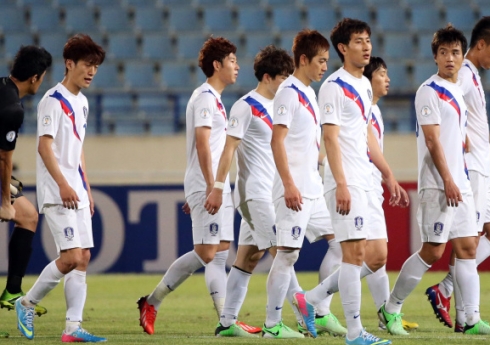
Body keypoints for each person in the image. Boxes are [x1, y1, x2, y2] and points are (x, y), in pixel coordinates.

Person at [378, 24, 490, 336]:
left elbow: (452, 137)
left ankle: (469, 320)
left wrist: (463, 148)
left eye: (455, 53)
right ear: (435, 57)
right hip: (438, 183)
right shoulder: (428, 91)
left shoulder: (457, 94)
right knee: (433, 252)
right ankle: (390, 309)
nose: (450, 58)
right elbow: (433, 141)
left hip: (459, 181)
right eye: (444, 52)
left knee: (467, 248)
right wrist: (448, 178)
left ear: (463, 57)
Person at [294, 19, 406, 345]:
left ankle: (312, 298)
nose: (367, 46)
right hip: (347, 181)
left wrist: (387, 174)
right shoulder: (333, 86)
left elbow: (367, 134)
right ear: (343, 48)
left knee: (377, 255)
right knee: (354, 255)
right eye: (358, 41)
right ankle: (355, 333)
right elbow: (329, 138)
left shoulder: (365, 86)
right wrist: (340, 183)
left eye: (368, 40)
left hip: (366, 181)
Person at [138, 36, 251, 336]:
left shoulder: (215, 99)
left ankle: (227, 321)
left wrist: (215, 185)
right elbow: (202, 146)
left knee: (221, 251)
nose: (237, 66)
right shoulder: (203, 98)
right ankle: (152, 301)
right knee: (206, 252)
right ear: (217, 65)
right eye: (232, 61)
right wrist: (210, 186)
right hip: (211, 183)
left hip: (216, 183)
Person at [15, 34, 107, 342]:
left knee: (83, 258)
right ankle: (26, 303)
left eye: (96, 66)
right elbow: (44, 147)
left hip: (77, 190)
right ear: (69, 64)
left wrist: (87, 189)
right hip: (58, 192)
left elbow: (78, 149)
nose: (92, 71)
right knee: (69, 258)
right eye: (87, 65)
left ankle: (73, 328)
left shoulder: (82, 102)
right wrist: (64, 185)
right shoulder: (52, 101)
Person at [425, 16, 490, 332]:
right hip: (470, 168)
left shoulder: (472, 75)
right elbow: (445, 103)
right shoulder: (461, 75)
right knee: (467, 241)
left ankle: (444, 289)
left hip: (482, 170)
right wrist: (457, 142)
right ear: (482, 44)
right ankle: (467, 317)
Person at [203, 45, 295, 338]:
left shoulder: (281, 108)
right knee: (283, 253)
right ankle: (289, 320)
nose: (287, 85)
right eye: (283, 78)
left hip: (270, 194)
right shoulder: (246, 106)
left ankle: (227, 323)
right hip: (253, 193)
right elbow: (228, 150)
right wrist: (218, 188)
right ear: (267, 77)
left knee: (247, 259)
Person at [262, 29, 346, 340]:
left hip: (312, 187)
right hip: (293, 188)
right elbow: (277, 141)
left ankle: (316, 307)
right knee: (287, 255)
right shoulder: (288, 92)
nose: (325, 67)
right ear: (303, 60)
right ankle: (272, 326)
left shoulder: (309, 93)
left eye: (327, 61)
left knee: (341, 242)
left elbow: (306, 142)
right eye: (321, 61)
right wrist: (288, 184)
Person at [362, 56, 419, 332]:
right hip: (362, 187)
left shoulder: (375, 110)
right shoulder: (364, 109)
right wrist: (389, 176)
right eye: (382, 74)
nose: (387, 79)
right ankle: (316, 301)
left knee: (373, 258)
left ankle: (387, 315)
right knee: (368, 256)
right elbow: (370, 150)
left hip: (370, 186)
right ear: (368, 78)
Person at [0, 45, 51, 340]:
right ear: (35, 78)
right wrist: (5, 202)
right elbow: (5, 158)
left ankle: (13, 291)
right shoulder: (12, 110)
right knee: (20, 212)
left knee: (28, 215)